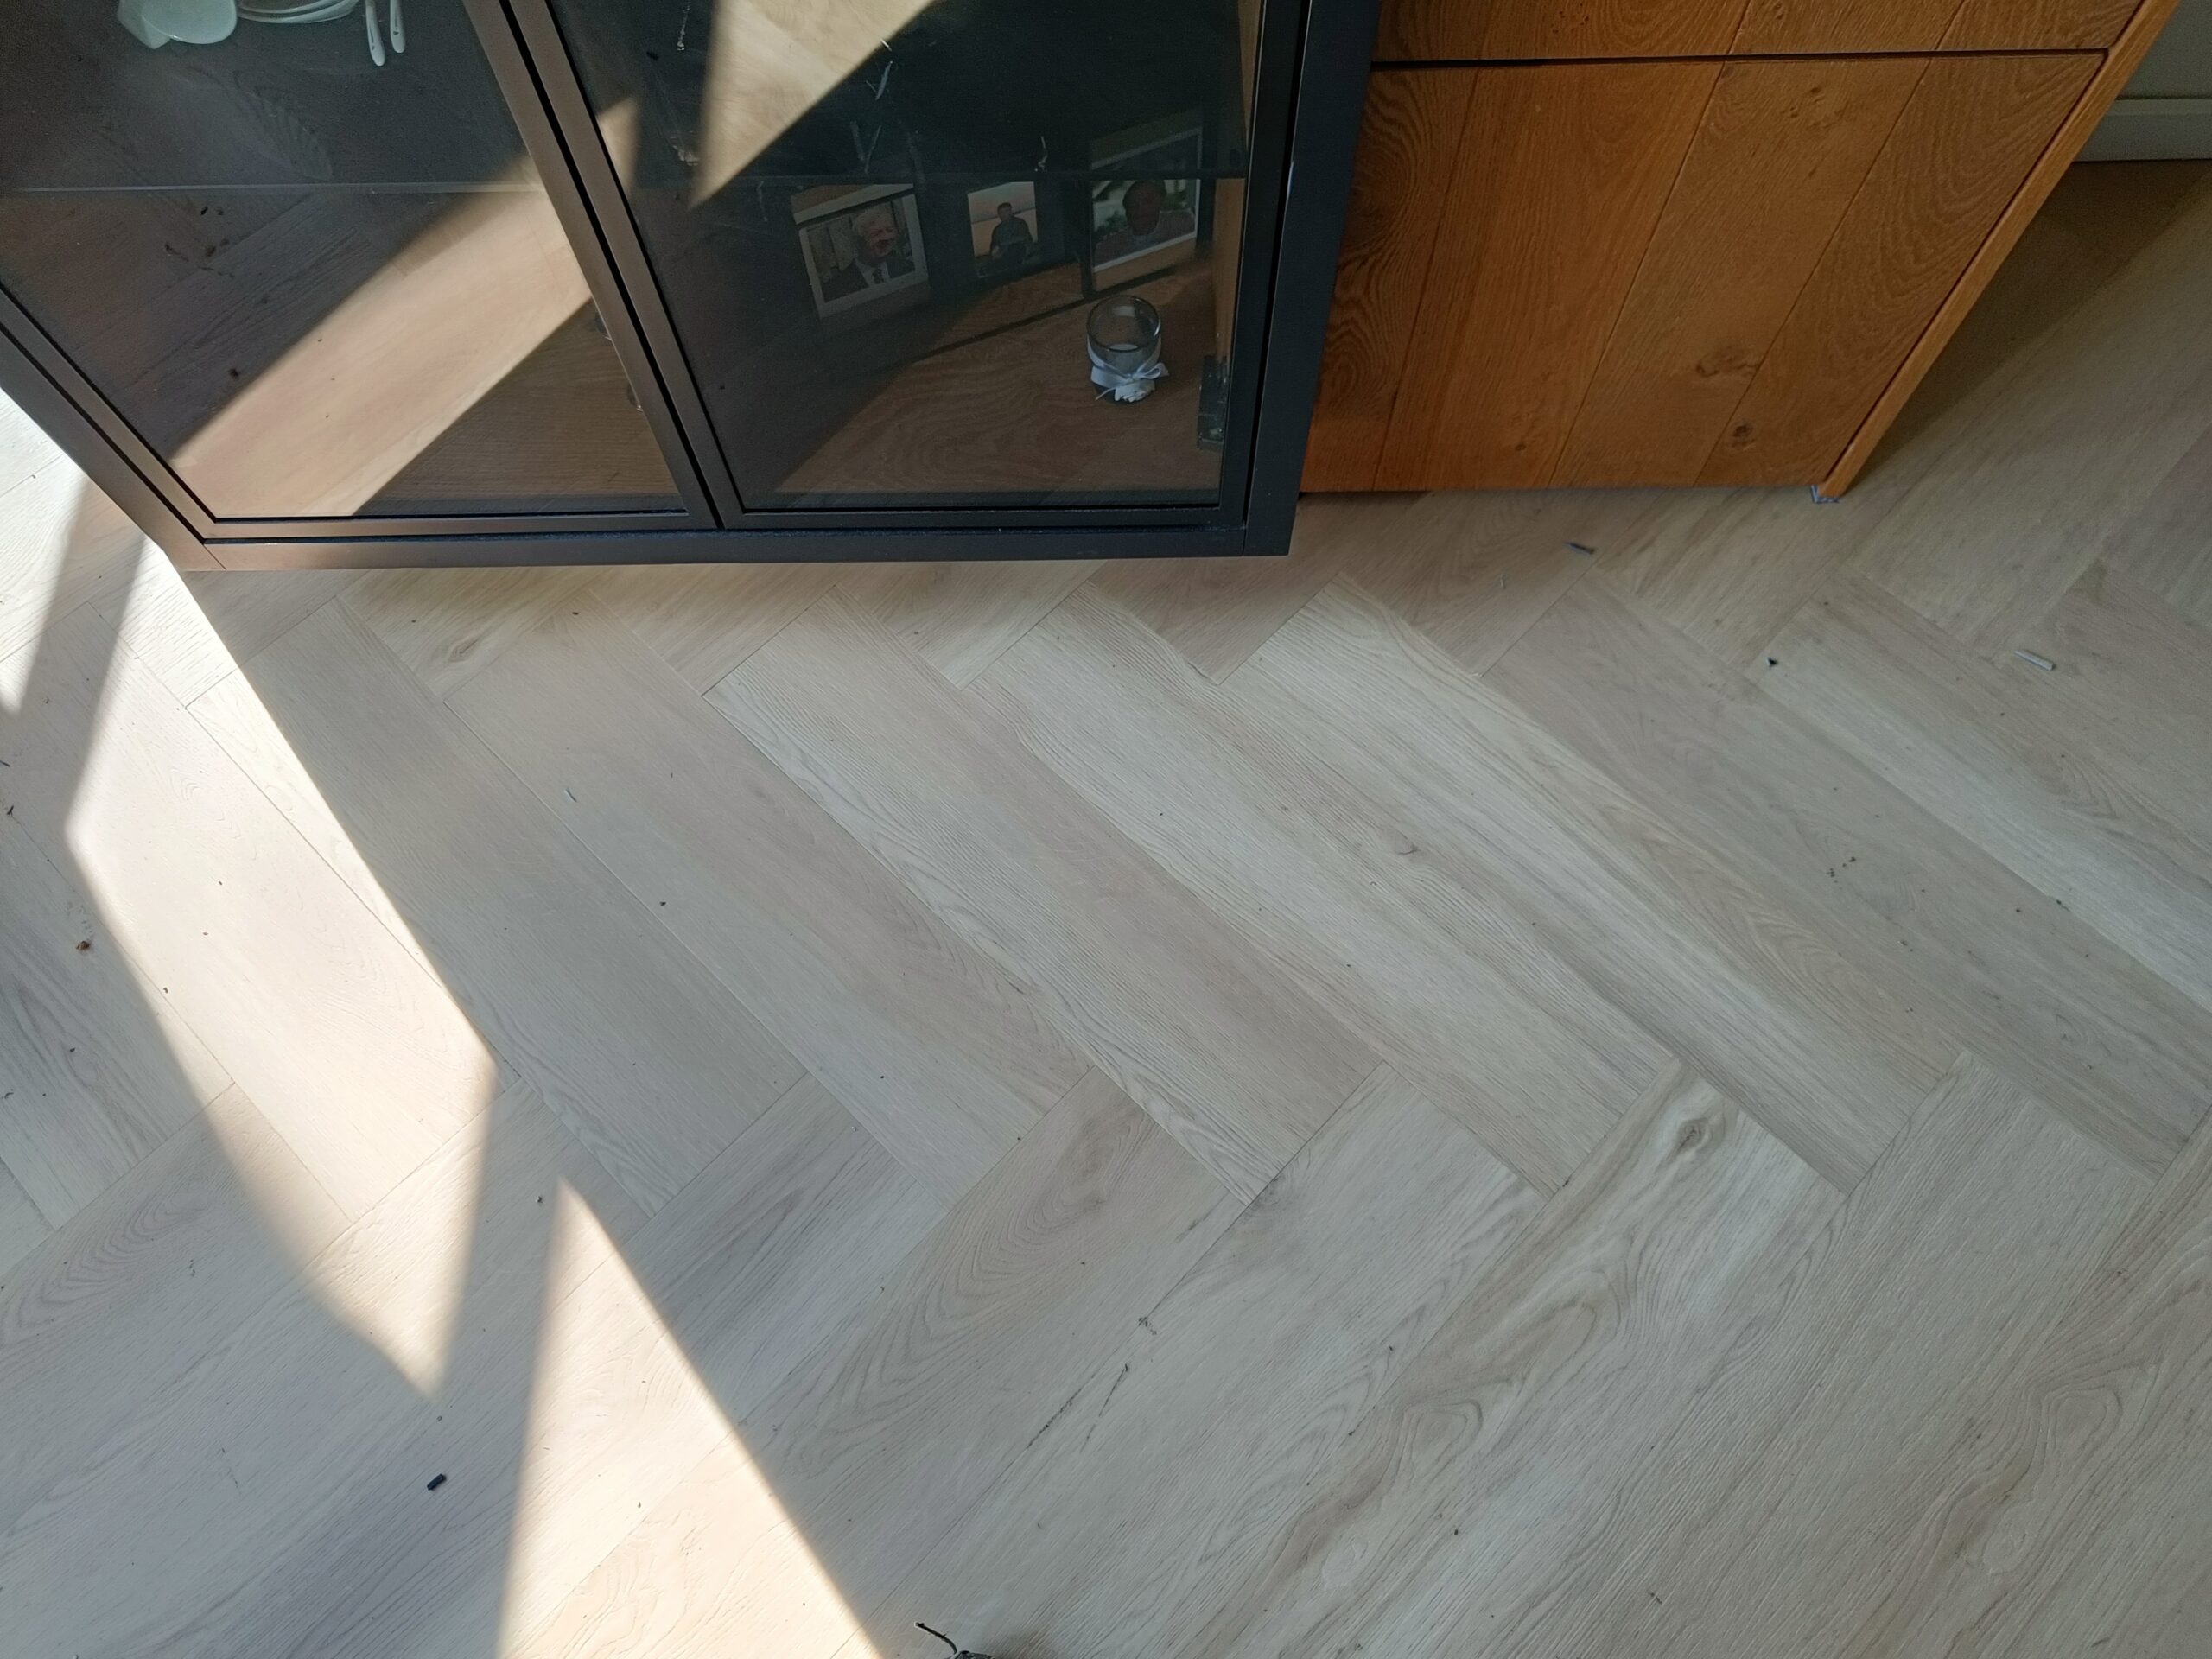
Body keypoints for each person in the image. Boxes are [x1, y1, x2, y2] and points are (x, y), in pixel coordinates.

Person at [1093, 178, 1196, 266]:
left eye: (1147, 202)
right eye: (1133, 204)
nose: (1140, 209)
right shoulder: (1111, 246)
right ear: (1126, 211)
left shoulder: (1180, 223)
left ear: (1159, 203)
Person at [820, 202, 913, 300]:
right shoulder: (835, 288)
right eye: (877, 234)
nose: (887, 238)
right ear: (859, 242)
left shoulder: (907, 267)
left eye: (889, 230)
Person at [985, 200, 1035, 274]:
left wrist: (1002, 244)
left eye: (1006, 211)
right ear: (998, 214)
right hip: (1004, 252)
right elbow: (994, 244)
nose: (1003, 214)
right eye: (1001, 212)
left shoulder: (1020, 222)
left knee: (1015, 248)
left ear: (1011, 212)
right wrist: (994, 253)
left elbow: (1022, 237)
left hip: (1021, 248)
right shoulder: (997, 229)